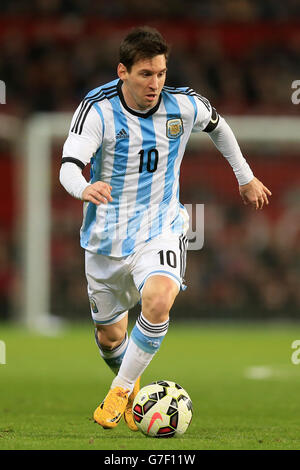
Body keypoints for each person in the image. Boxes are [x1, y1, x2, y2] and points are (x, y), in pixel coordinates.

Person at [59, 26, 271, 430]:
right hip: (105, 237)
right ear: (123, 71)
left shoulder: (183, 104)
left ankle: (120, 392)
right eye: (145, 74)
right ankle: (134, 387)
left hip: (160, 227)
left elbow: (219, 126)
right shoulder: (97, 110)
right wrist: (84, 187)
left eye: (160, 73)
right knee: (109, 336)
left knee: (158, 299)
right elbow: (69, 166)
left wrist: (245, 178)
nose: (155, 83)